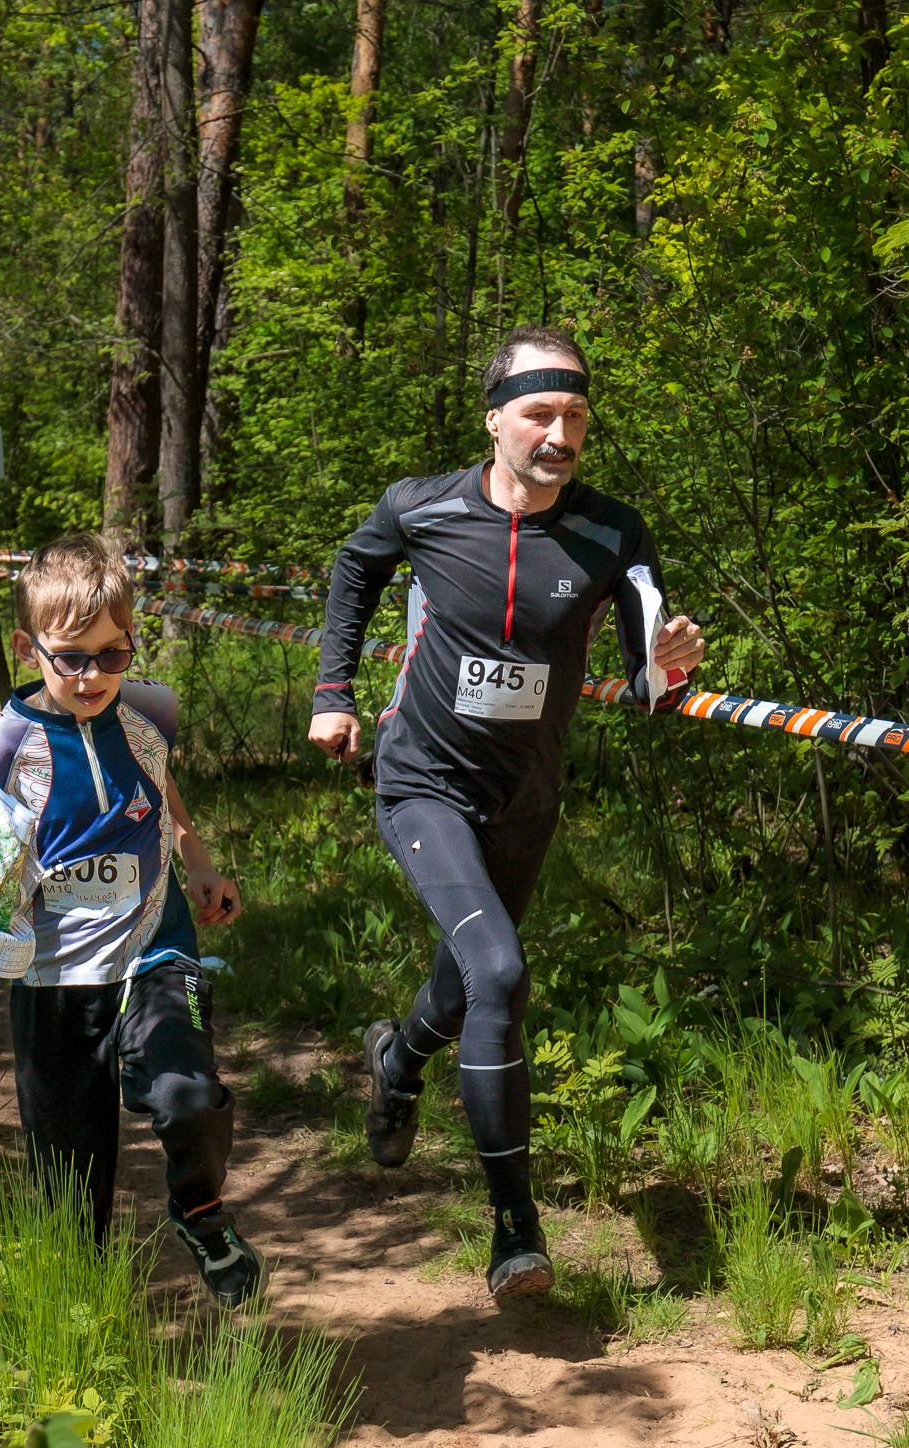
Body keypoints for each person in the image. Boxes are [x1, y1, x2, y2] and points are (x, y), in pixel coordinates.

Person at [309, 326, 706, 1301]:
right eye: (538, 413)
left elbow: (645, 670)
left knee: (465, 980)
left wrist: (670, 665)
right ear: (494, 419)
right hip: (422, 784)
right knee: (500, 968)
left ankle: (397, 1066)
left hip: (526, 796)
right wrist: (333, 691)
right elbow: (353, 571)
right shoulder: (423, 508)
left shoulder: (614, 532)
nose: (557, 433)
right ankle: (515, 1231)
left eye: (574, 415)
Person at [0, 535, 263, 1306]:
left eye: (112, 655)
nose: (94, 676)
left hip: (154, 950)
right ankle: (85, 1341)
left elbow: (163, 794)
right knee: (68, 1193)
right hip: (54, 979)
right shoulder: (4, 747)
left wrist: (198, 860)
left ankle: (199, 1208)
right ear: (29, 647)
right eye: (72, 657)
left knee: (187, 1094)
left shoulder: (147, 717)